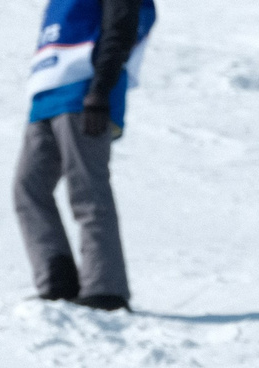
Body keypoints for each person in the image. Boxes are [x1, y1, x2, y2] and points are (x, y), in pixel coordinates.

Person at [14, 0, 156, 310]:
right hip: (46, 99)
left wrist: (100, 91)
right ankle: (58, 280)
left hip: (83, 96)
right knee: (29, 188)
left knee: (87, 189)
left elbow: (121, 29)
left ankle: (106, 288)